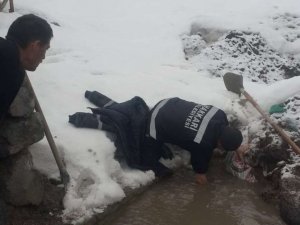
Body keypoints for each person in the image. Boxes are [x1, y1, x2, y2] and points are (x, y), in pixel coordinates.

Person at [69, 91, 244, 184]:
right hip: (154, 123)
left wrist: (235, 146)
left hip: (168, 104)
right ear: (219, 142)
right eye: (221, 147)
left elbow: (219, 137)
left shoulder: (220, 115)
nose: (219, 149)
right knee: (147, 158)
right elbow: (200, 173)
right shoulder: (203, 144)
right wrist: (205, 188)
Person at [0, 14, 53, 158]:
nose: (43, 57)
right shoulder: (11, 70)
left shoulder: (14, 66)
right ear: (35, 46)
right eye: (45, 49)